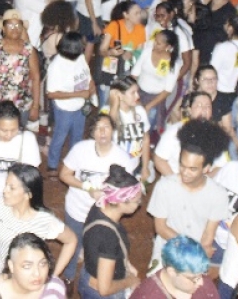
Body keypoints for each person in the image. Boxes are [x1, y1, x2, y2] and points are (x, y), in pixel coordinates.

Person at [58, 114, 135, 281]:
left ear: (113, 130)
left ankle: (91, 279)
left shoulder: (122, 158)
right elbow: (64, 174)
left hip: (103, 215)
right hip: (77, 209)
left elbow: (128, 190)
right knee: (72, 243)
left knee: (98, 249)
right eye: (98, 128)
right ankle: (69, 278)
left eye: (106, 127)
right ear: (92, 133)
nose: (102, 132)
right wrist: (88, 187)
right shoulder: (80, 149)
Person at [0, 164, 77, 283]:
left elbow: (71, 240)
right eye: (6, 185)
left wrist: (53, 277)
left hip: (23, 283)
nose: (5, 190)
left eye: (12, 187)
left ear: (28, 195)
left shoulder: (44, 221)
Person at [148, 119, 229, 271]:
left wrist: (195, 251)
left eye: (192, 169)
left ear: (207, 168)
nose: (185, 172)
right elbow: (161, 228)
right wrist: (193, 247)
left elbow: (208, 235)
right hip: (166, 253)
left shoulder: (218, 195)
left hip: (194, 259)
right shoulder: (164, 186)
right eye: (182, 166)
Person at [80, 164, 145, 299]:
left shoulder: (99, 206)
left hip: (90, 274)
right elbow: (105, 289)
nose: (140, 204)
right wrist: (131, 280)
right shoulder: (107, 236)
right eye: (137, 201)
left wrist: (126, 265)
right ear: (121, 202)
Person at [0, 9, 41, 125]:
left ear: (22, 28)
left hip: (21, 105)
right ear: (3, 28)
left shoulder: (29, 50)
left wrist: (35, 106)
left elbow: (36, 78)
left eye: (18, 25)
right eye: (10, 24)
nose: (14, 28)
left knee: (17, 139)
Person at [45, 31, 94, 175]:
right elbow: (51, 93)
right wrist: (78, 94)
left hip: (80, 104)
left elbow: (87, 75)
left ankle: (74, 162)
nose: (84, 48)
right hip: (64, 108)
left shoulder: (79, 58)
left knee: (78, 136)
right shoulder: (56, 66)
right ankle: (52, 165)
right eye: (81, 46)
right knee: (60, 136)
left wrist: (91, 87)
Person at [0, 233, 68, 298]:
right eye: (27, 266)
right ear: (11, 266)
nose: (37, 273)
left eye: (42, 263)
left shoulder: (54, 287)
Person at [131, 236, 220, 299]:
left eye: (202, 274)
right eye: (195, 279)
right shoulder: (147, 295)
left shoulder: (201, 283)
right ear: (172, 272)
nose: (201, 283)